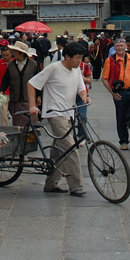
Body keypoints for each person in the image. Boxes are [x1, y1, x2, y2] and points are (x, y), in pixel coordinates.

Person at [29, 41, 90, 196]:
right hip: (55, 114)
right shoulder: (54, 68)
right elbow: (32, 83)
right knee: (71, 148)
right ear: (67, 56)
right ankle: (76, 186)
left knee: (59, 151)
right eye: (77, 58)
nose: (79, 61)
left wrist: (84, 97)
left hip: (69, 113)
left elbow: (81, 87)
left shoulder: (76, 70)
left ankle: (50, 184)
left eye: (81, 58)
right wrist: (33, 105)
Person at [101, 37, 130, 151]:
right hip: (120, 93)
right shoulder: (110, 61)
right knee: (121, 117)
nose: (120, 48)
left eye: (122, 45)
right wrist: (112, 93)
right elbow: (104, 78)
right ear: (114, 48)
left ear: (126, 46)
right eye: (117, 46)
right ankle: (124, 141)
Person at [0, 41, 39, 127]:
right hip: (15, 100)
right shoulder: (11, 65)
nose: (13, 53)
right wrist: (1, 90)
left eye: (15, 52)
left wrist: (39, 96)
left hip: (29, 99)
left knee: (31, 123)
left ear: (21, 53)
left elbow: (38, 82)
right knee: (17, 124)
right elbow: (6, 80)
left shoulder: (33, 65)